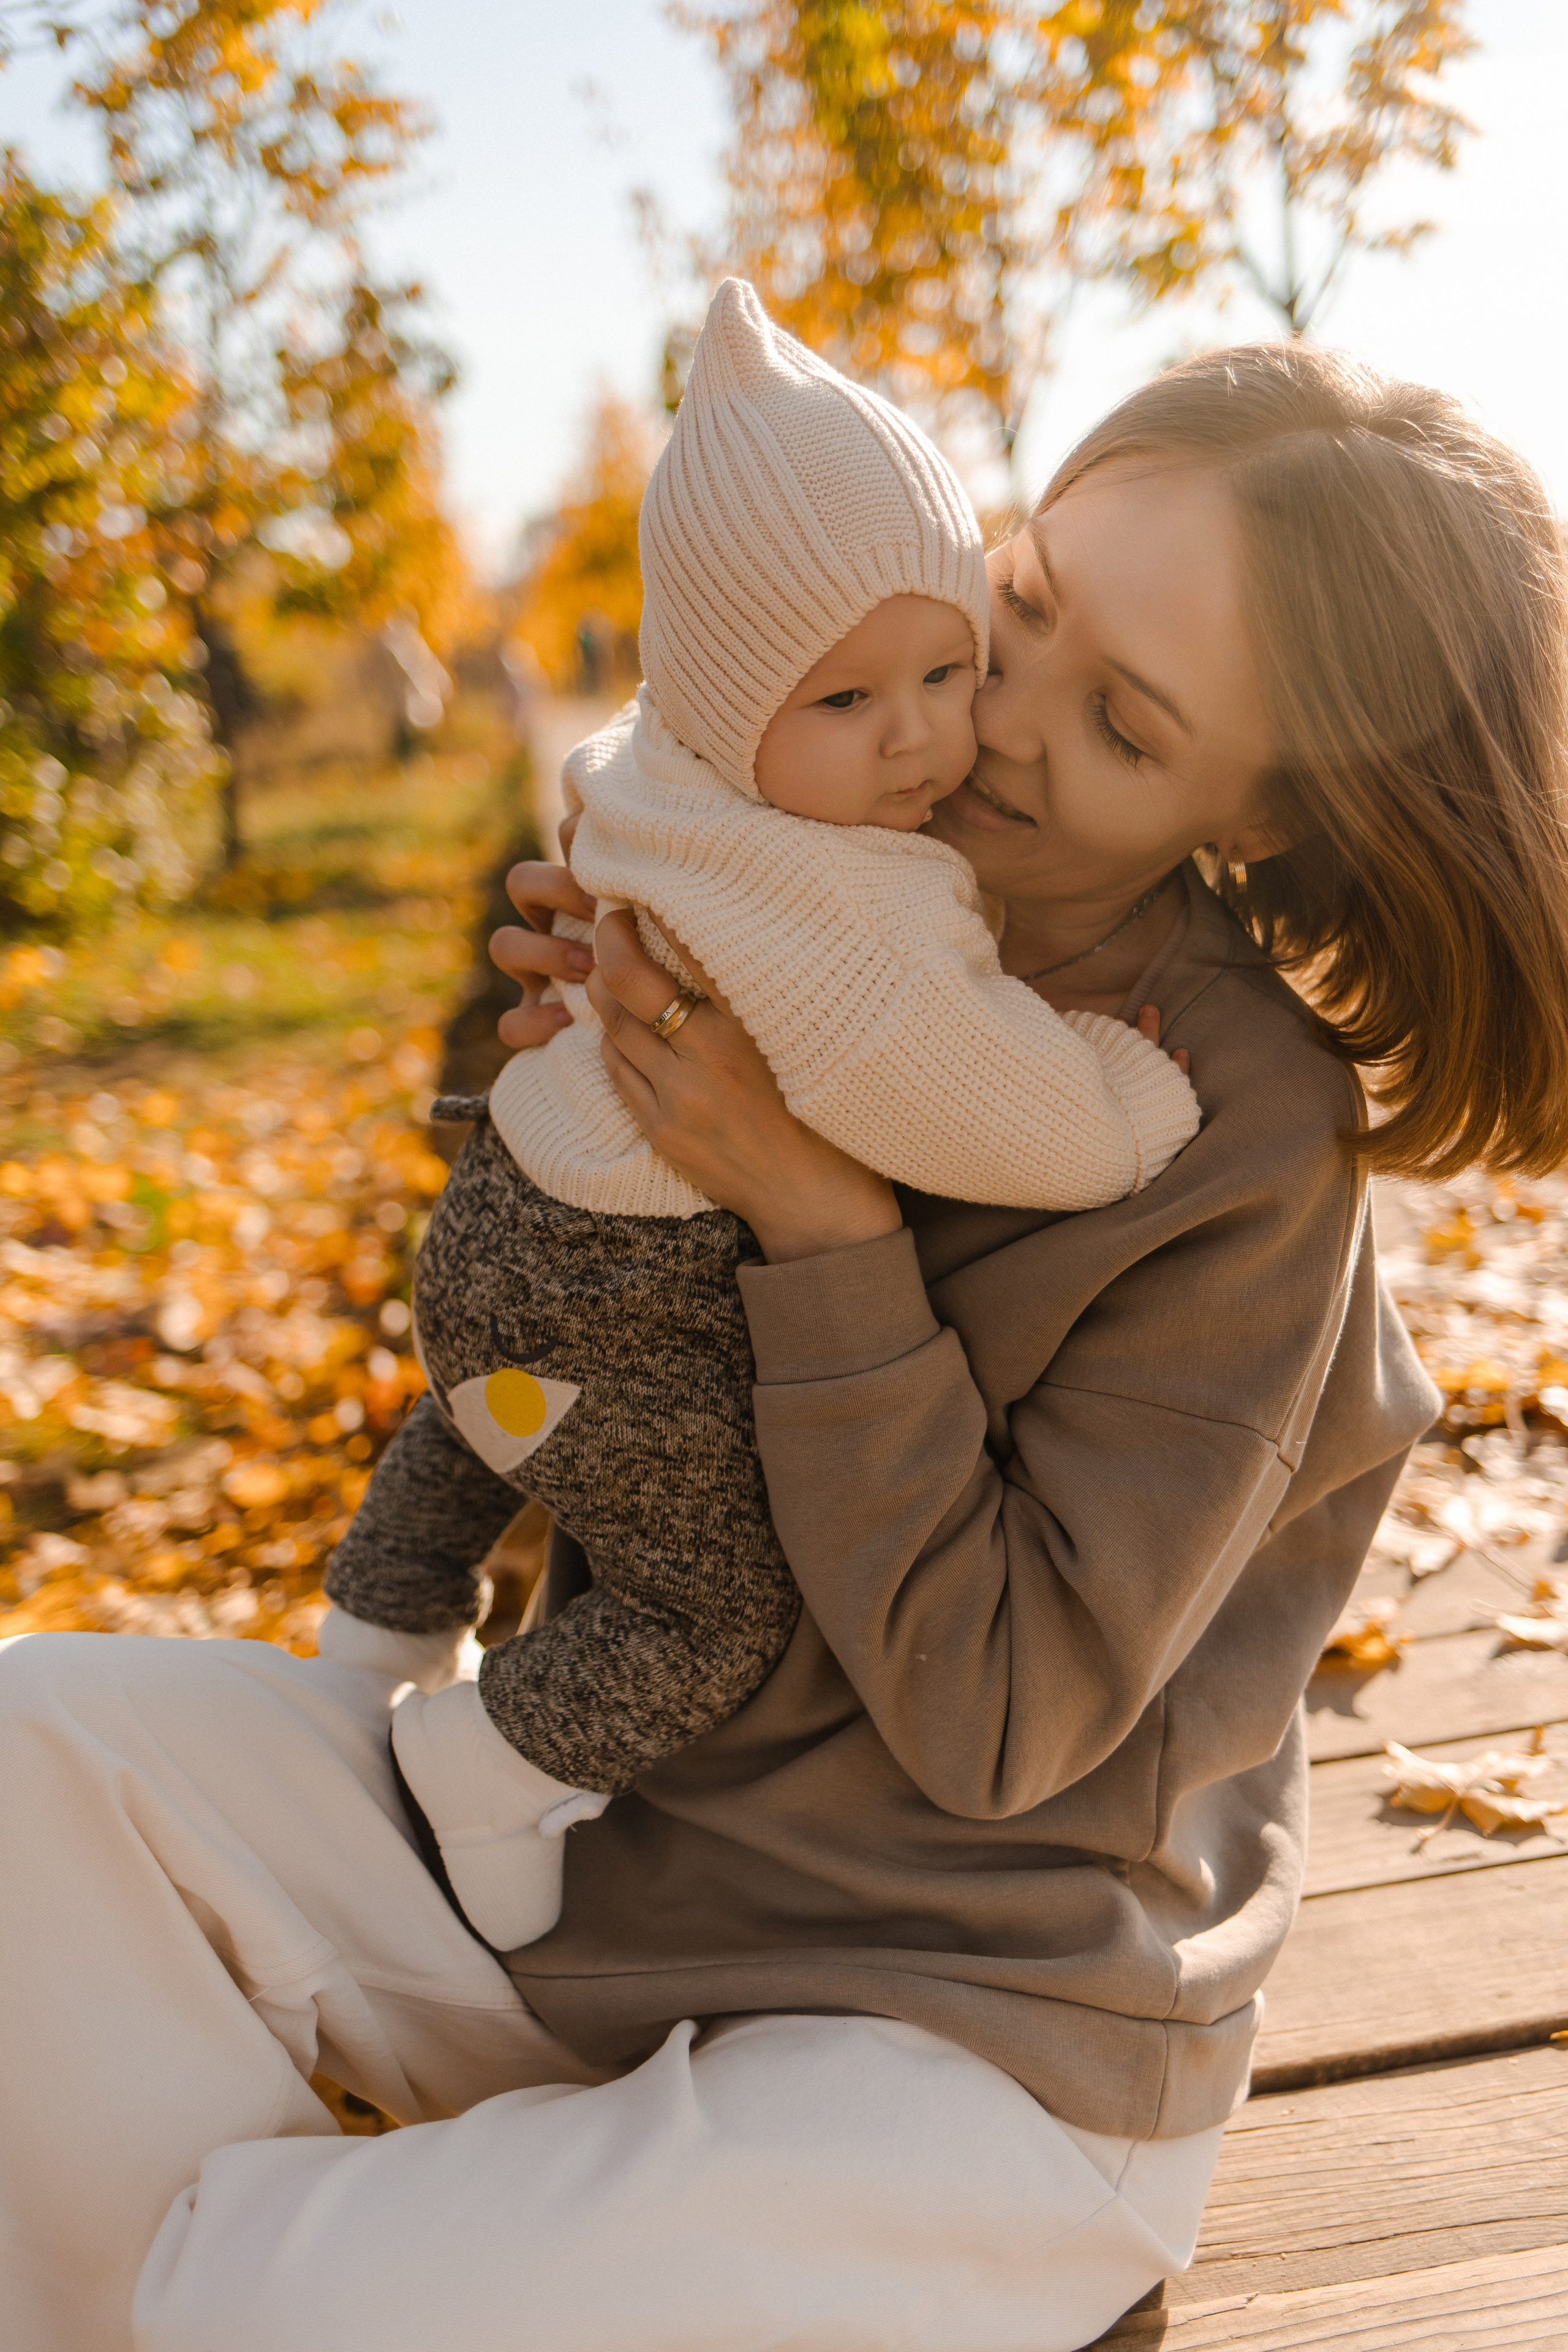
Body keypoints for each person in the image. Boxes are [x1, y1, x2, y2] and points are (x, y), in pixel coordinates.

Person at [6, 339, 1568, 2352]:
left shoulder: (1239, 1153)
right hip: (600, 1881)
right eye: (1019, 605)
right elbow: (594, 1385)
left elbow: (998, 1722)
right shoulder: (779, 871)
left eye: (1122, 726)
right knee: (47, 1754)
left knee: (246, 2290)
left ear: (1261, 824)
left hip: (961, 2045)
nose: (985, 722)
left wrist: (822, 1225)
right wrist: (573, 1117)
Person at [320, 280, 1196, 1954]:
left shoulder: (659, 778)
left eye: (949, 666)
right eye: (848, 704)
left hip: (503, 1229)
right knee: (706, 1596)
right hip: (625, 1283)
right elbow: (994, 1113)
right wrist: (1128, 1098)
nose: (931, 737)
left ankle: (375, 1621)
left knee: (494, 1412)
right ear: (735, 707)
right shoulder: (842, 913)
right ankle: (491, 1752)